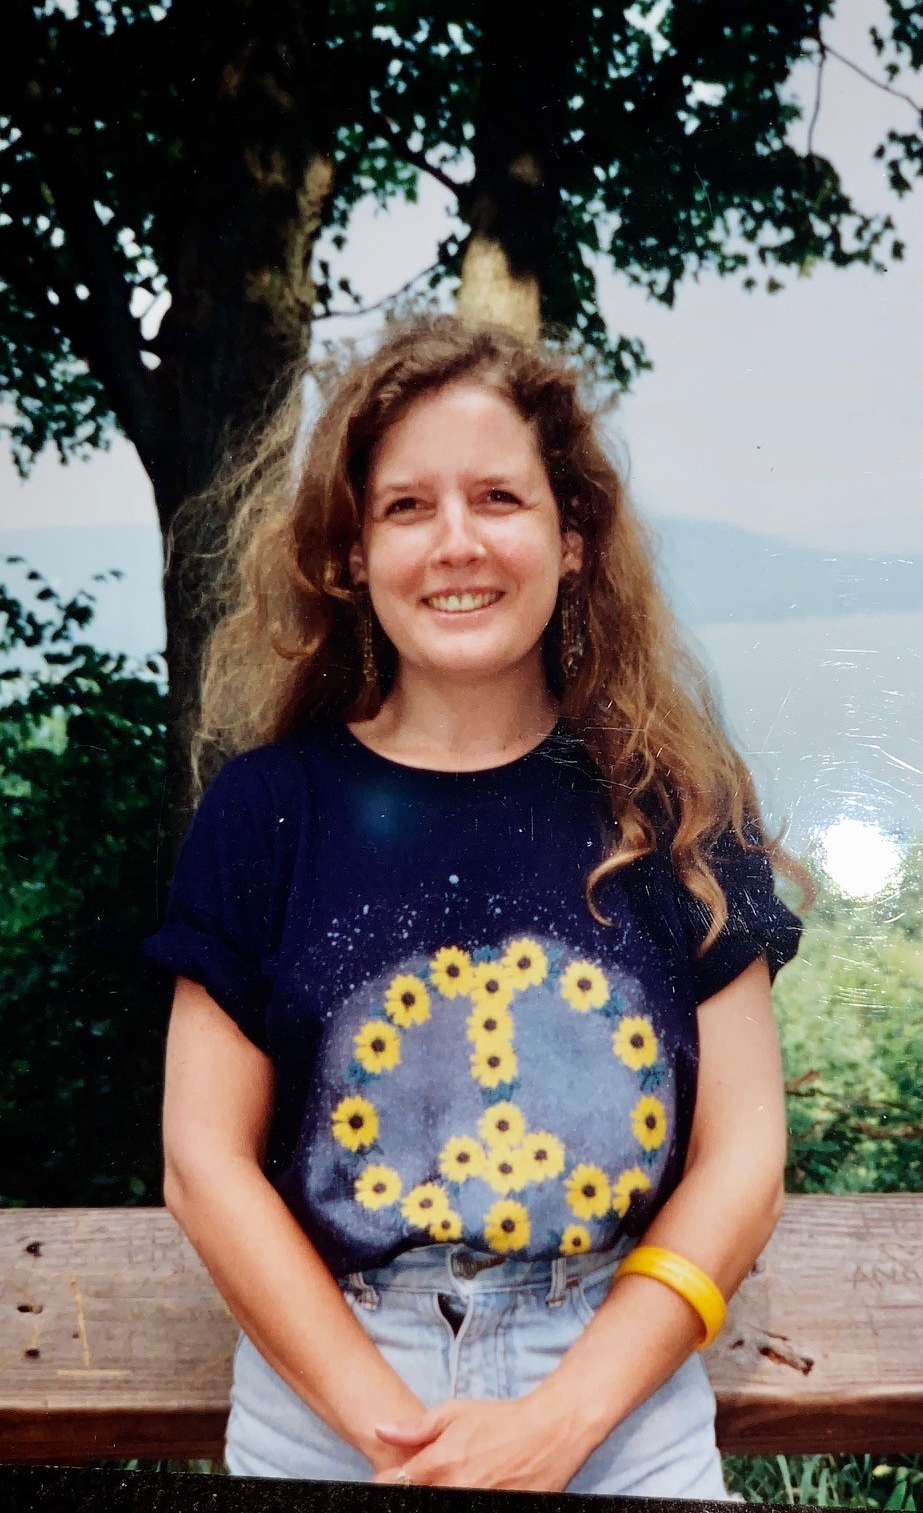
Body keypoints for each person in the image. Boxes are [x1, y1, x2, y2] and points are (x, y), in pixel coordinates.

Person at [146, 314, 805, 1497]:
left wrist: (561, 1420)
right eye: (406, 508)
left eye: (498, 499)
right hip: (326, 1389)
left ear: (572, 540)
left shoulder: (677, 806)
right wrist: (392, 1431)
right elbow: (202, 1161)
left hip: (616, 1385)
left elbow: (745, 1156)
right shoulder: (266, 813)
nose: (455, 543)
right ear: (349, 555)